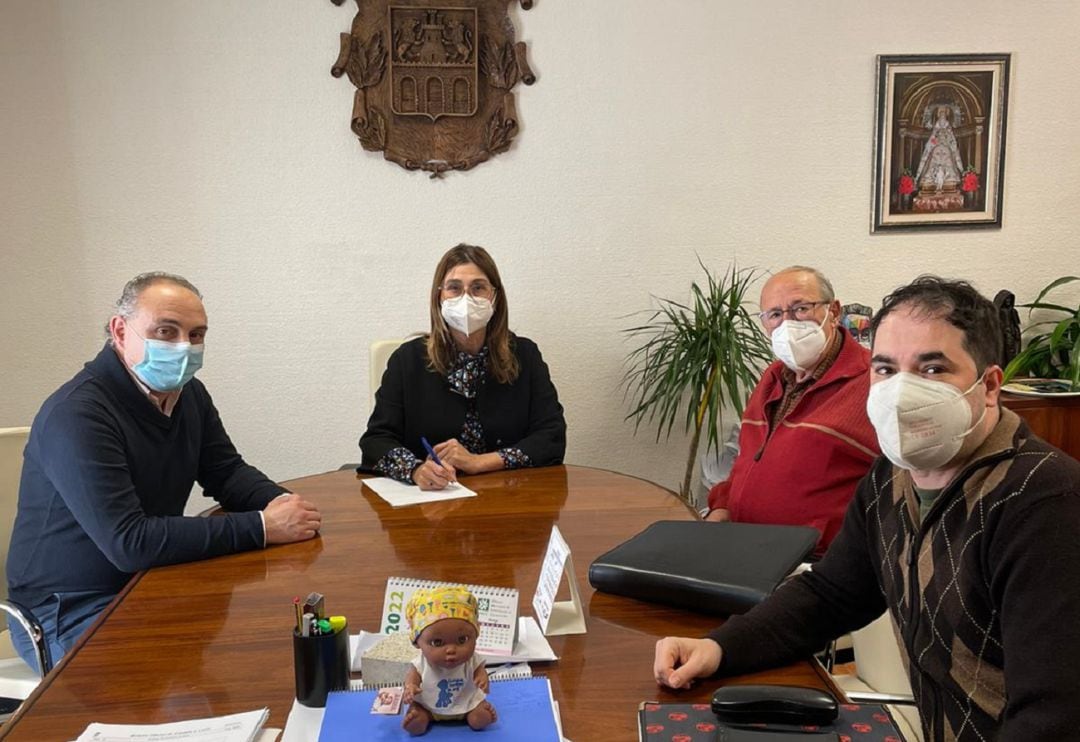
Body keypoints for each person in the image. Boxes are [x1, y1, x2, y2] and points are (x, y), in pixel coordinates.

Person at [655, 277, 1080, 740]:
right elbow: (831, 595)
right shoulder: (888, 480)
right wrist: (718, 647)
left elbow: (1054, 716)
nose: (902, 392)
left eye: (933, 369)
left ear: (990, 385)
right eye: (885, 369)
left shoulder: (1045, 502)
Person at [6, 272, 321, 668]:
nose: (183, 347)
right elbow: (129, 542)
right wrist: (262, 526)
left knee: (263, 646)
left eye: (196, 335)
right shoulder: (77, 413)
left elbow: (225, 470)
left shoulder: (189, 394)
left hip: (154, 579)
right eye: (166, 331)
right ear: (120, 331)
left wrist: (283, 503)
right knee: (174, 691)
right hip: (67, 610)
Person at [360, 244, 566, 490]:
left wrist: (478, 462)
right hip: (432, 503)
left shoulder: (525, 355)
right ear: (440, 297)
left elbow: (552, 436)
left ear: (495, 297)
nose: (466, 298)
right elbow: (376, 441)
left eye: (478, 287)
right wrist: (416, 470)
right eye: (454, 288)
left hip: (509, 497)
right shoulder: (407, 360)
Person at [704, 266, 879, 557]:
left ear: (833, 312)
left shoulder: (874, 382)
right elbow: (748, 458)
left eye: (800, 309)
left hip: (815, 564)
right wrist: (721, 506)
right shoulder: (772, 377)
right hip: (744, 547)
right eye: (774, 315)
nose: (787, 324)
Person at [402, 585, 496, 735]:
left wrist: (482, 677)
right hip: (428, 706)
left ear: (476, 635)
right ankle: (419, 717)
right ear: (417, 642)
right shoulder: (422, 663)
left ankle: (478, 715)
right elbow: (412, 677)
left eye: (462, 639)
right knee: (419, 710)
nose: (451, 649)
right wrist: (411, 686)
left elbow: (479, 669)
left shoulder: (471, 659)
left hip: (467, 703)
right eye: (437, 642)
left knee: (477, 715)